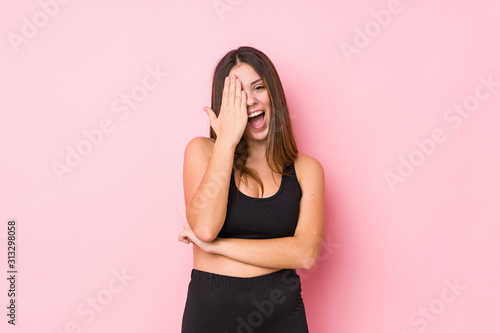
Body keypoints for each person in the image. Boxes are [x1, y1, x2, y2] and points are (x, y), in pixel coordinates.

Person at [178, 46, 325, 332]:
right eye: (237, 94)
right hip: (211, 315)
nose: (250, 101)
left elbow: (305, 253)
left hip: (282, 315)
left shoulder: (307, 169)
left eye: (258, 87)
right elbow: (204, 228)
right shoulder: (203, 151)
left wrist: (218, 246)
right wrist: (226, 141)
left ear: (274, 93)